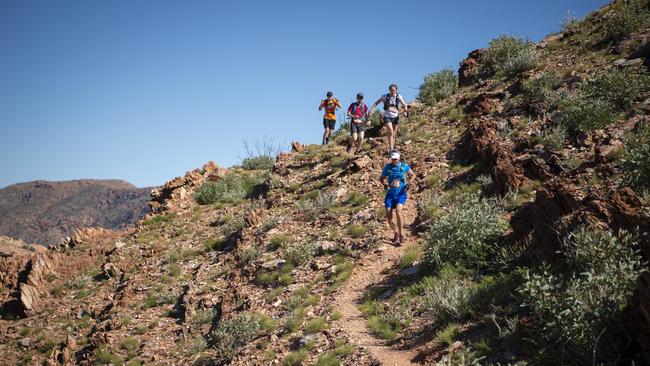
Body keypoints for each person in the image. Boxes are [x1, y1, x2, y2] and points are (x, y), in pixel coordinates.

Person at [380, 151, 416, 245]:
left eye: (396, 159)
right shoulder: (388, 167)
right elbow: (381, 178)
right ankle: (396, 232)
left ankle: (402, 234)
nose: (394, 160)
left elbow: (413, 175)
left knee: (399, 212)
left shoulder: (404, 166)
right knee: (388, 216)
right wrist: (385, 184)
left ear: (399, 158)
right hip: (390, 195)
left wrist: (409, 183)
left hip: (401, 193)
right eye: (393, 159)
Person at [369, 84, 408, 152]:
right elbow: (376, 103)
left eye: (394, 90)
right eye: (391, 90)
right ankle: (391, 149)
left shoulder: (398, 96)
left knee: (394, 133)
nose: (393, 91)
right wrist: (371, 111)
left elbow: (404, 104)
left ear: (396, 90)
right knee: (391, 132)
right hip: (387, 116)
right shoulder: (385, 96)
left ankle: (393, 147)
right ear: (389, 90)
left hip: (395, 116)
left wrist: (405, 110)